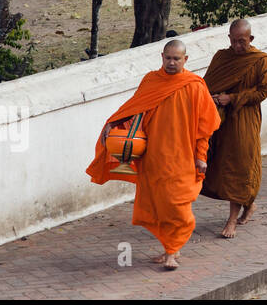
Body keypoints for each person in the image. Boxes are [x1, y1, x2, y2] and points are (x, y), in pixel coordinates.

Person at [87, 39, 220, 270]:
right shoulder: (151, 81)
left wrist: (201, 156)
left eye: (176, 59)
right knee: (157, 204)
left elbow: (204, 127)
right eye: (167, 57)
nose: (171, 62)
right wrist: (114, 122)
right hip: (153, 157)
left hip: (182, 157)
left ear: (185, 60)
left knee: (177, 204)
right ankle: (171, 248)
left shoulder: (195, 86)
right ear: (162, 56)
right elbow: (135, 109)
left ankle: (171, 251)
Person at [201, 18, 267, 238]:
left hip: (245, 119)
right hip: (221, 121)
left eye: (241, 41)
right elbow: (206, 85)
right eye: (233, 41)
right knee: (224, 165)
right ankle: (248, 204)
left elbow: (264, 91)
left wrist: (232, 98)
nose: (237, 46)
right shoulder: (222, 58)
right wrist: (214, 98)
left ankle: (231, 220)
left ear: (250, 39)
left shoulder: (261, 61)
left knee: (242, 165)